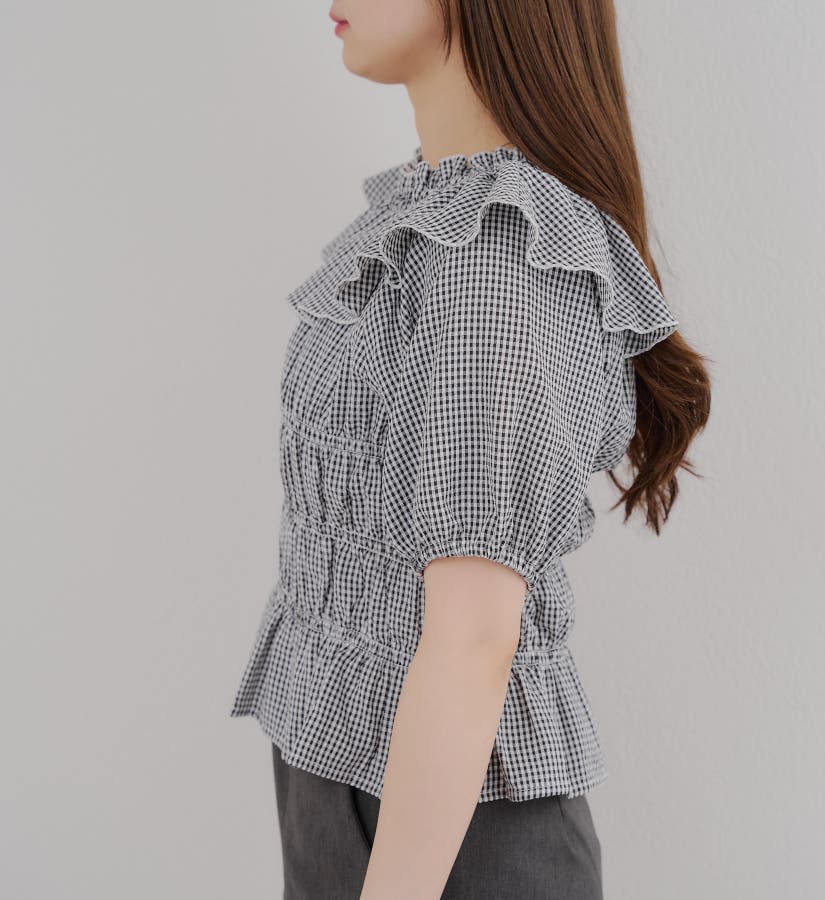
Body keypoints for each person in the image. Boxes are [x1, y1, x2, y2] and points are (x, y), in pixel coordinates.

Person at [230, 2, 712, 897]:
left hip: (455, 840)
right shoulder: (437, 215)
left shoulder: (494, 253)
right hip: (368, 798)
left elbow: (474, 638)